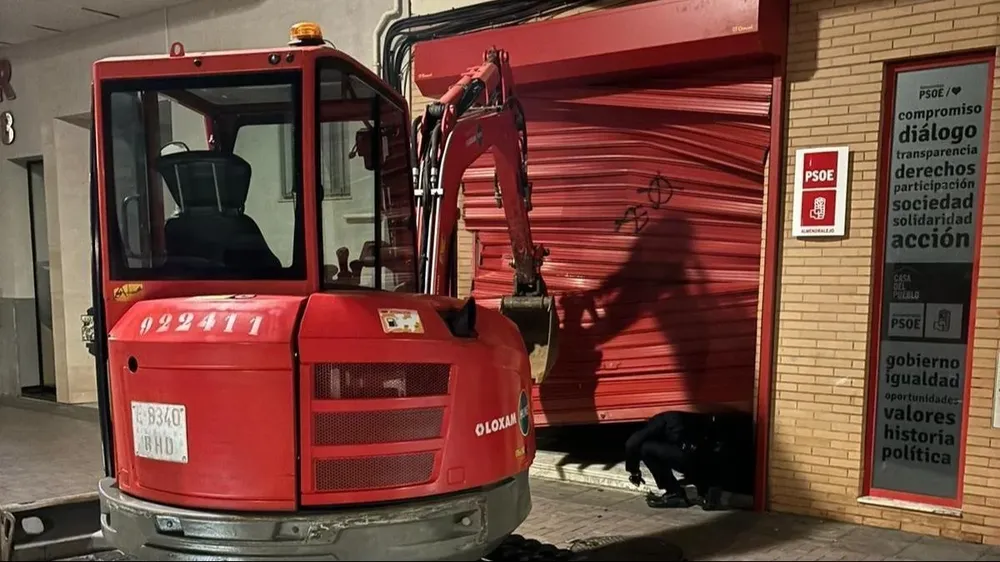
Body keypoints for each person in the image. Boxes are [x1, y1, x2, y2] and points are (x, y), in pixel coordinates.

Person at [624, 410, 723, 509]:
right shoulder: (695, 408)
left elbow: (632, 443)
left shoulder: (663, 416)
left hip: (689, 459)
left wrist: (634, 471)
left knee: (646, 448)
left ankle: (674, 492)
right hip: (708, 457)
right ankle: (706, 492)